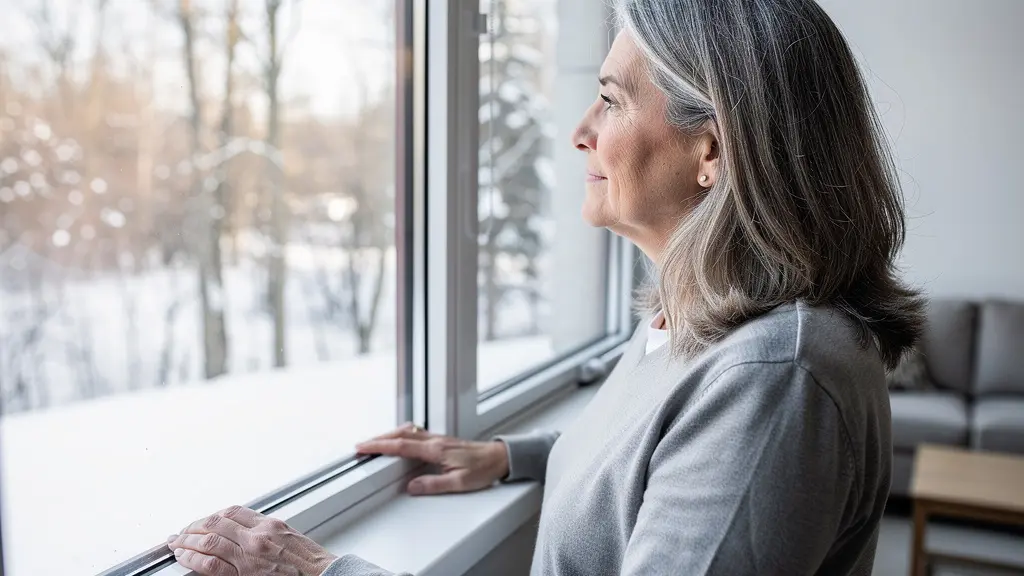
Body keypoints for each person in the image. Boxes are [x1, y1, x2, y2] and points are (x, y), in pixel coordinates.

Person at [167, 0, 924, 574]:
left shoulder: (773, 378)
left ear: (713, 147)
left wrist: (321, 571)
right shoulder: (708, 325)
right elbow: (661, 454)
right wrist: (508, 455)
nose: (581, 130)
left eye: (614, 99)